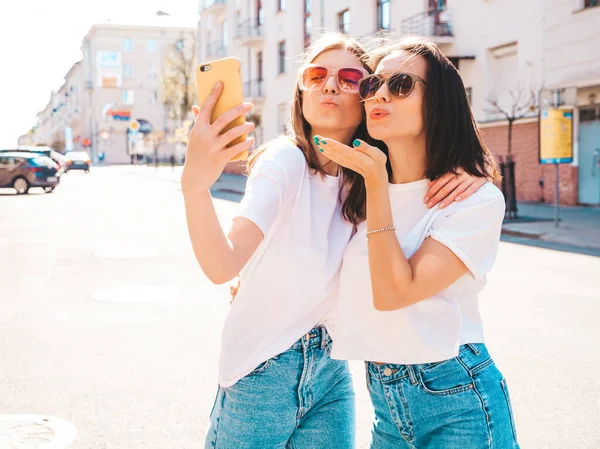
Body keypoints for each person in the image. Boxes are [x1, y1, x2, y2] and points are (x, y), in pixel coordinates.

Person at [183, 33, 486, 449]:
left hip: (331, 374)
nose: (330, 85)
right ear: (301, 93)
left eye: (349, 78)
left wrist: (475, 170)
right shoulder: (285, 160)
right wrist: (194, 186)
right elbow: (222, 264)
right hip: (261, 372)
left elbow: (420, 179)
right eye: (316, 75)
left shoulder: (369, 181)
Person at [317, 37, 520, 449]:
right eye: (373, 85)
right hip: (385, 404)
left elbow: (396, 292)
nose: (382, 94)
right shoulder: (355, 190)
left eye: (402, 85)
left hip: (456, 398)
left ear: (438, 102)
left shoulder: (473, 198)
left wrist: (377, 182)